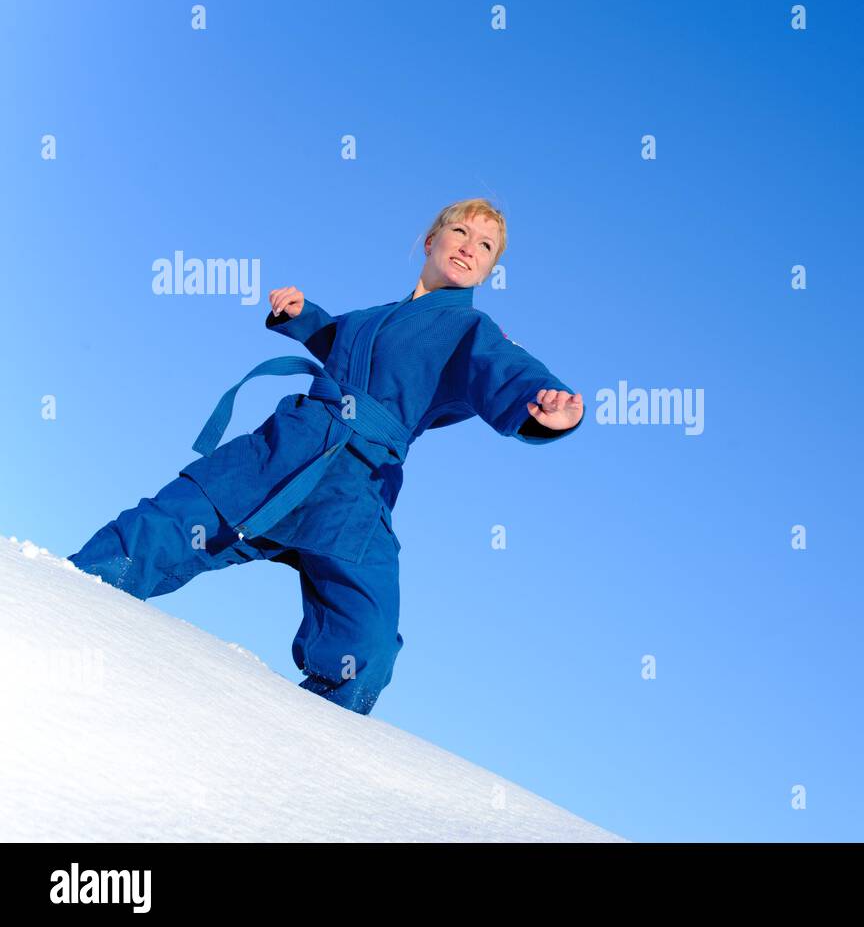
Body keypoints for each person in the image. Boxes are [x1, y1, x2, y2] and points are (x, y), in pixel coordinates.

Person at [68, 198, 584, 715]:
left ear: (491, 269)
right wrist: (300, 315)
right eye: (460, 232)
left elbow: (503, 366)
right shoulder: (369, 320)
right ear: (431, 241)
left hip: (357, 489)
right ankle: (56, 607)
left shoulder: (470, 331)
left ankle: (309, 743)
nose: (470, 248)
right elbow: (337, 338)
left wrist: (543, 403)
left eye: (486, 246)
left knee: (367, 647)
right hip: (283, 452)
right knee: (160, 529)